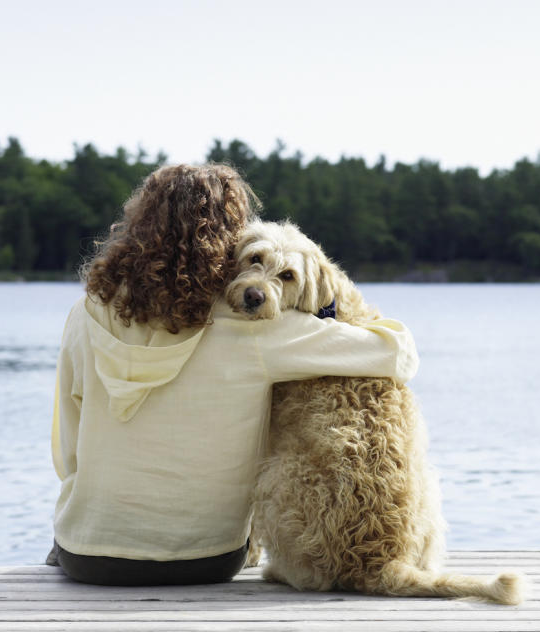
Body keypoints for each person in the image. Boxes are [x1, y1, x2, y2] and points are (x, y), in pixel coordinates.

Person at [48, 163, 419, 585]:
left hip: (88, 556)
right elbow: (398, 354)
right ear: (228, 241)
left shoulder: (85, 313)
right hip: (207, 559)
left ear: (136, 225)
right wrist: (334, 298)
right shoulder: (256, 328)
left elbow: (67, 450)